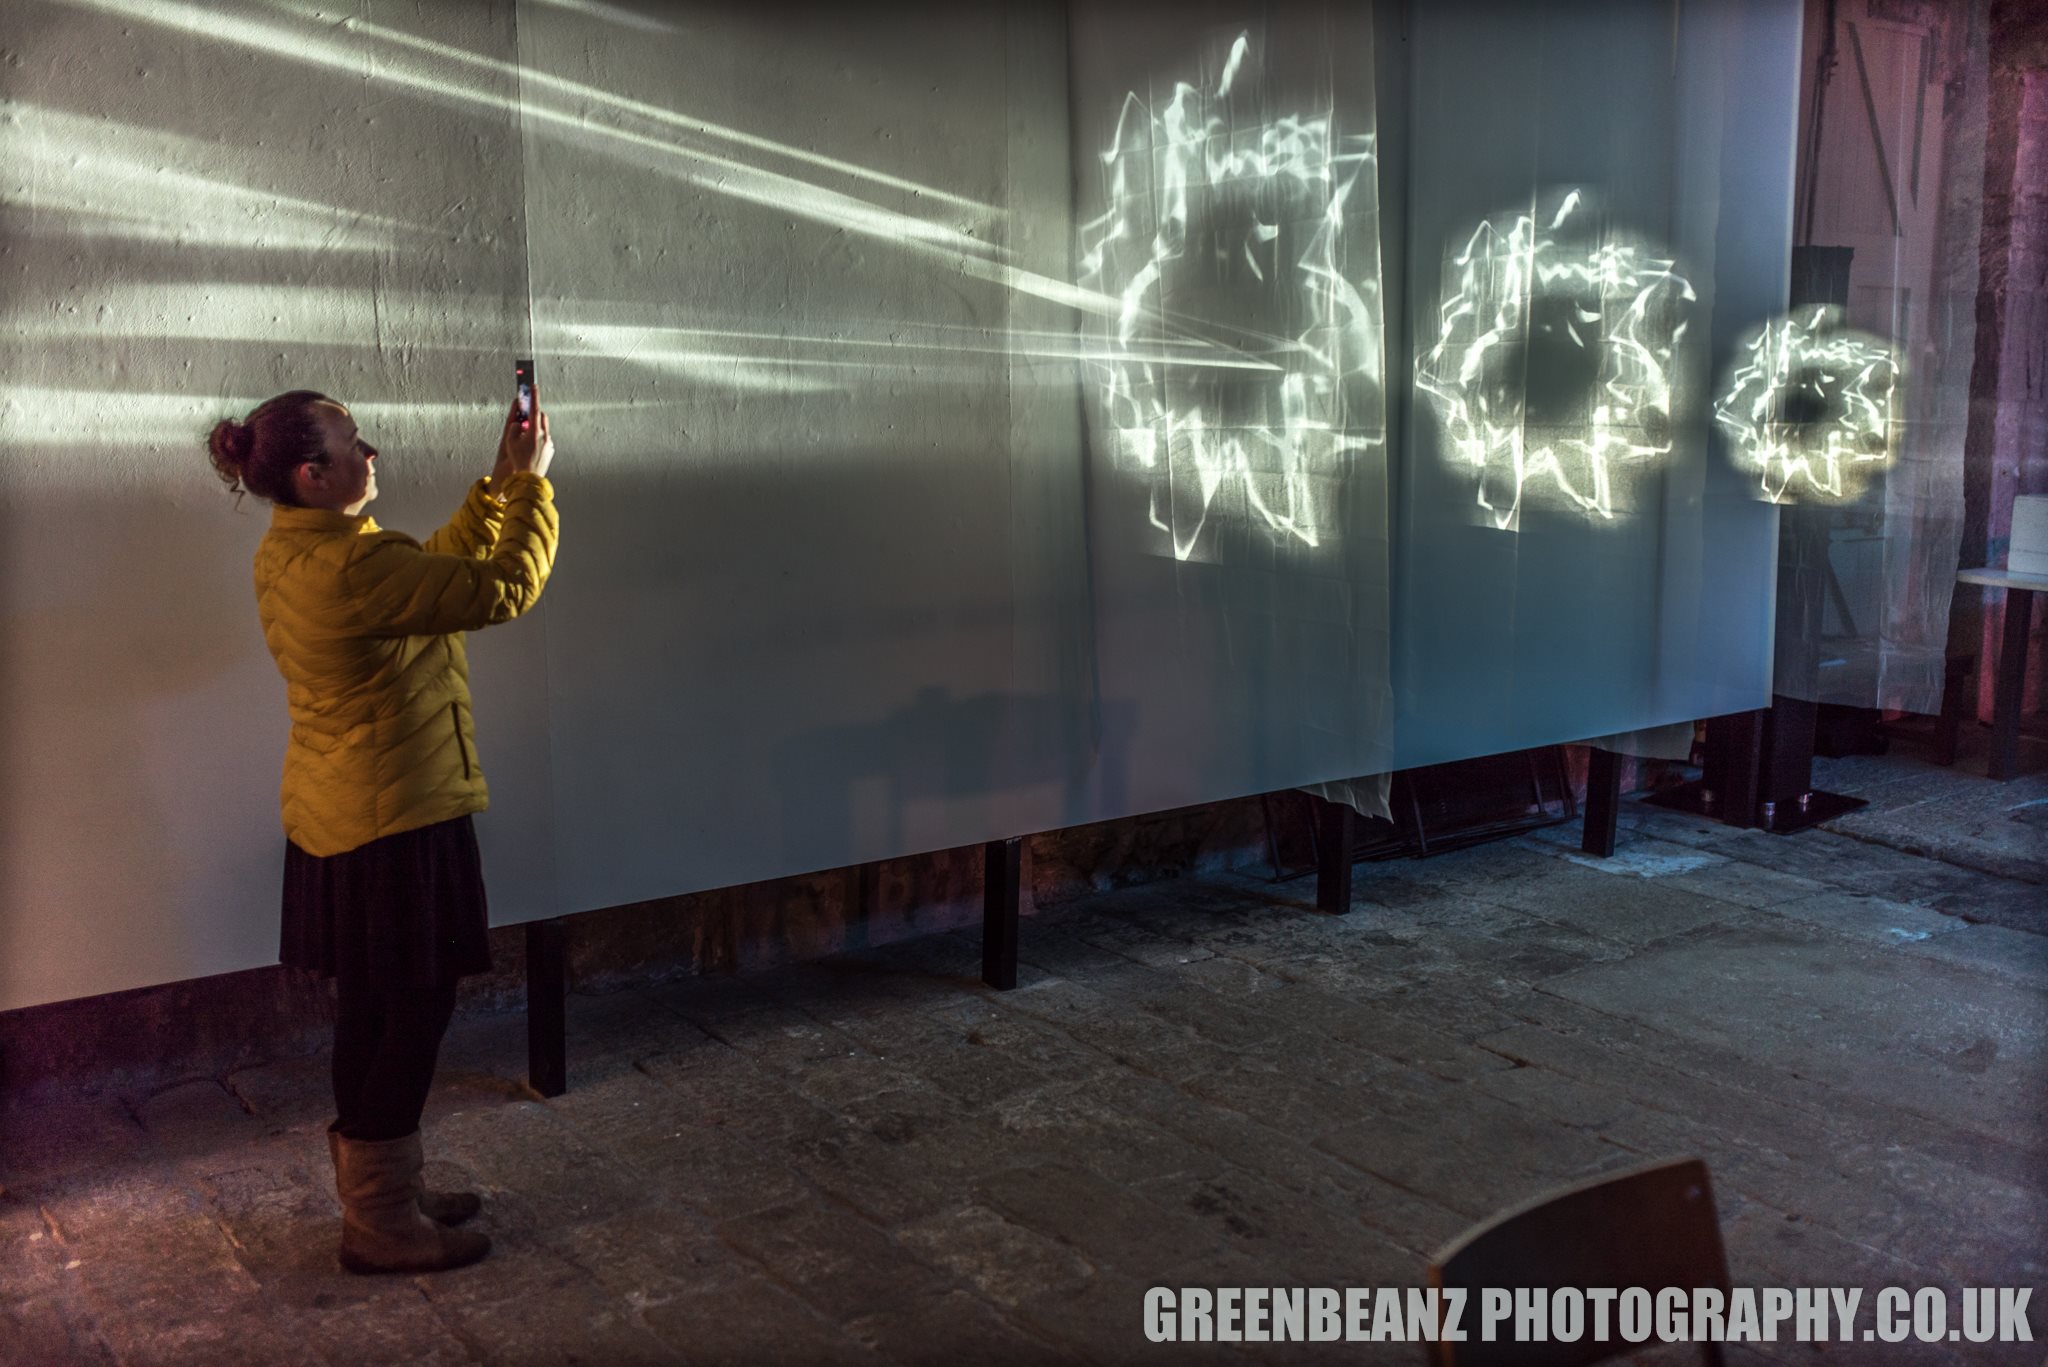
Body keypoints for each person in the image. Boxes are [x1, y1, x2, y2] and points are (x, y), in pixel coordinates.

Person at [205, 388, 558, 1274]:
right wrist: (532, 492)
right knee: (414, 1008)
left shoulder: (298, 551)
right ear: (312, 473)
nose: (373, 453)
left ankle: (383, 1195)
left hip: (342, 815)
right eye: (353, 444)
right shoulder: (353, 568)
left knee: (371, 1006)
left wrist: (495, 486)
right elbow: (502, 587)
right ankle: (381, 1220)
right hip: (398, 815)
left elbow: (427, 574)